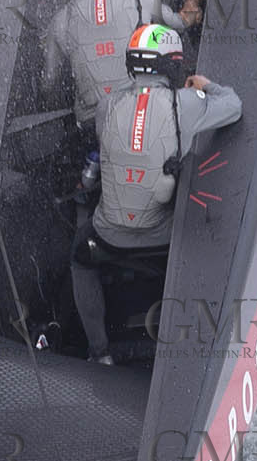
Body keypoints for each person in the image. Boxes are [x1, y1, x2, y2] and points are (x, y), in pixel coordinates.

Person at [70, 23, 242, 362]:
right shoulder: (188, 104)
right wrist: (206, 86)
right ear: (171, 65)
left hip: (107, 238)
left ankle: (99, 351)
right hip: (161, 237)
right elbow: (233, 106)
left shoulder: (106, 106)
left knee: (79, 258)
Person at [42, 0, 187, 130]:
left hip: (92, 121)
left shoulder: (60, 20)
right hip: (142, 107)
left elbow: (48, 82)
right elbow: (179, 26)